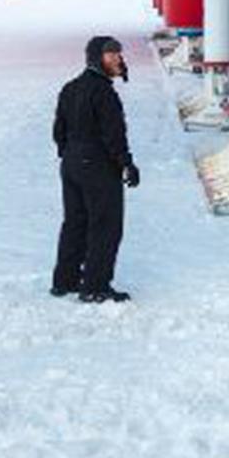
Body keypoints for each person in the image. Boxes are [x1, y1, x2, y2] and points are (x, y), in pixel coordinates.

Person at [52, 35, 141, 304]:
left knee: (75, 222)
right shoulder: (104, 92)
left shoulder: (70, 88)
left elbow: (58, 131)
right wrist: (126, 163)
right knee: (105, 225)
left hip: (71, 164)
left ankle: (65, 280)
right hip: (97, 166)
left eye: (118, 54)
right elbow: (114, 134)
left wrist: (70, 155)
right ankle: (95, 285)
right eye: (111, 54)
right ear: (96, 58)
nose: (118, 59)